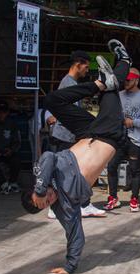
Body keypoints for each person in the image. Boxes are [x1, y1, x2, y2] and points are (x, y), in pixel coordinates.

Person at [21, 39, 131, 274]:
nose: (49, 197)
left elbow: (49, 156)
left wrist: (41, 186)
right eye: (46, 202)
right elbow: (74, 232)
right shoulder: (65, 207)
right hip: (108, 136)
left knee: (52, 100)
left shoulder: (44, 174)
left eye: (43, 196)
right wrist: (70, 266)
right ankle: (124, 61)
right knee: (113, 90)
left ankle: (98, 84)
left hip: (85, 132)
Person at [45, 50, 106, 219]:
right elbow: (67, 114)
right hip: (65, 135)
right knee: (63, 172)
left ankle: (83, 204)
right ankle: (54, 206)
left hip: (69, 134)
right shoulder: (68, 83)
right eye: (86, 66)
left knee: (74, 171)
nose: (87, 70)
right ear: (78, 65)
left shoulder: (70, 82)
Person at [105, 68, 140, 211]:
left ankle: (134, 199)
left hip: (135, 139)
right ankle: (113, 198)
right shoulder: (118, 95)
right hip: (119, 138)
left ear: (136, 80)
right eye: (125, 80)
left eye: (129, 80)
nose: (126, 82)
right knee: (112, 166)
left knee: (135, 170)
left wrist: (134, 122)